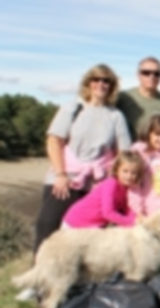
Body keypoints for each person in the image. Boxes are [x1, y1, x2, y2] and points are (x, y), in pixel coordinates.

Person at [33, 63, 131, 254]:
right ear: (88, 82)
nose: (101, 84)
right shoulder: (73, 107)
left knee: (87, 238)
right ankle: (39, 269)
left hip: (96, 183)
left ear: (112, 86)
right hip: (65, 178)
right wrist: (61, 174)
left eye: (106, 81)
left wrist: (110, 182)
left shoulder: (116, 116)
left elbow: (123, 153)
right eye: (96, 79)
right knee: (48, 225)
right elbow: (54, 141)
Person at [62, 151, 143, 229]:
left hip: (91, 226)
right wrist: (132, 222)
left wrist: (137, 218)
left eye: (133, 173)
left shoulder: (126, 189)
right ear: (117, 170)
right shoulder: (111, 184)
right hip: (76, 222)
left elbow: (126, 209)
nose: (129, 176)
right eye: (125, 171)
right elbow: (108, 213)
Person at [116, 57, 160, 141]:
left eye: (157, 74)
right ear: (138, 75)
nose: (152, 76)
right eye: (146, 73)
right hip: (128, 148)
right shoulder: (123, 98)